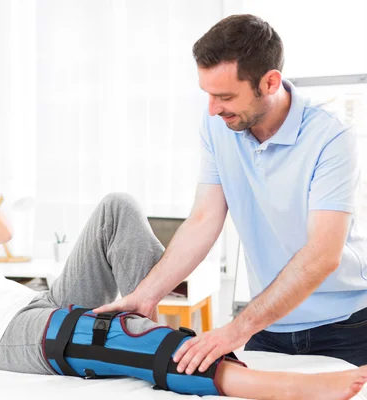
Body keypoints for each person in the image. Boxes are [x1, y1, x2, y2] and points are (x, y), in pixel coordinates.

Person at [0, 144, 367, 399]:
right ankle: (213, 362)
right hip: (2, 336)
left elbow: (1, 232)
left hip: (35, 301)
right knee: (97, 336)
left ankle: (147, 306)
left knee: (116, 205)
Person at [95, 13, 367, 375]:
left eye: (225, 96)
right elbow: (204, 219)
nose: (212, 108)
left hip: (346, 326)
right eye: (208, 94)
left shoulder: (331, 137)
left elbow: (322, 255)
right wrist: (145, 297)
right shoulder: (218, 124)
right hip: (269, 327)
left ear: (270, 83)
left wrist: (235, 331)